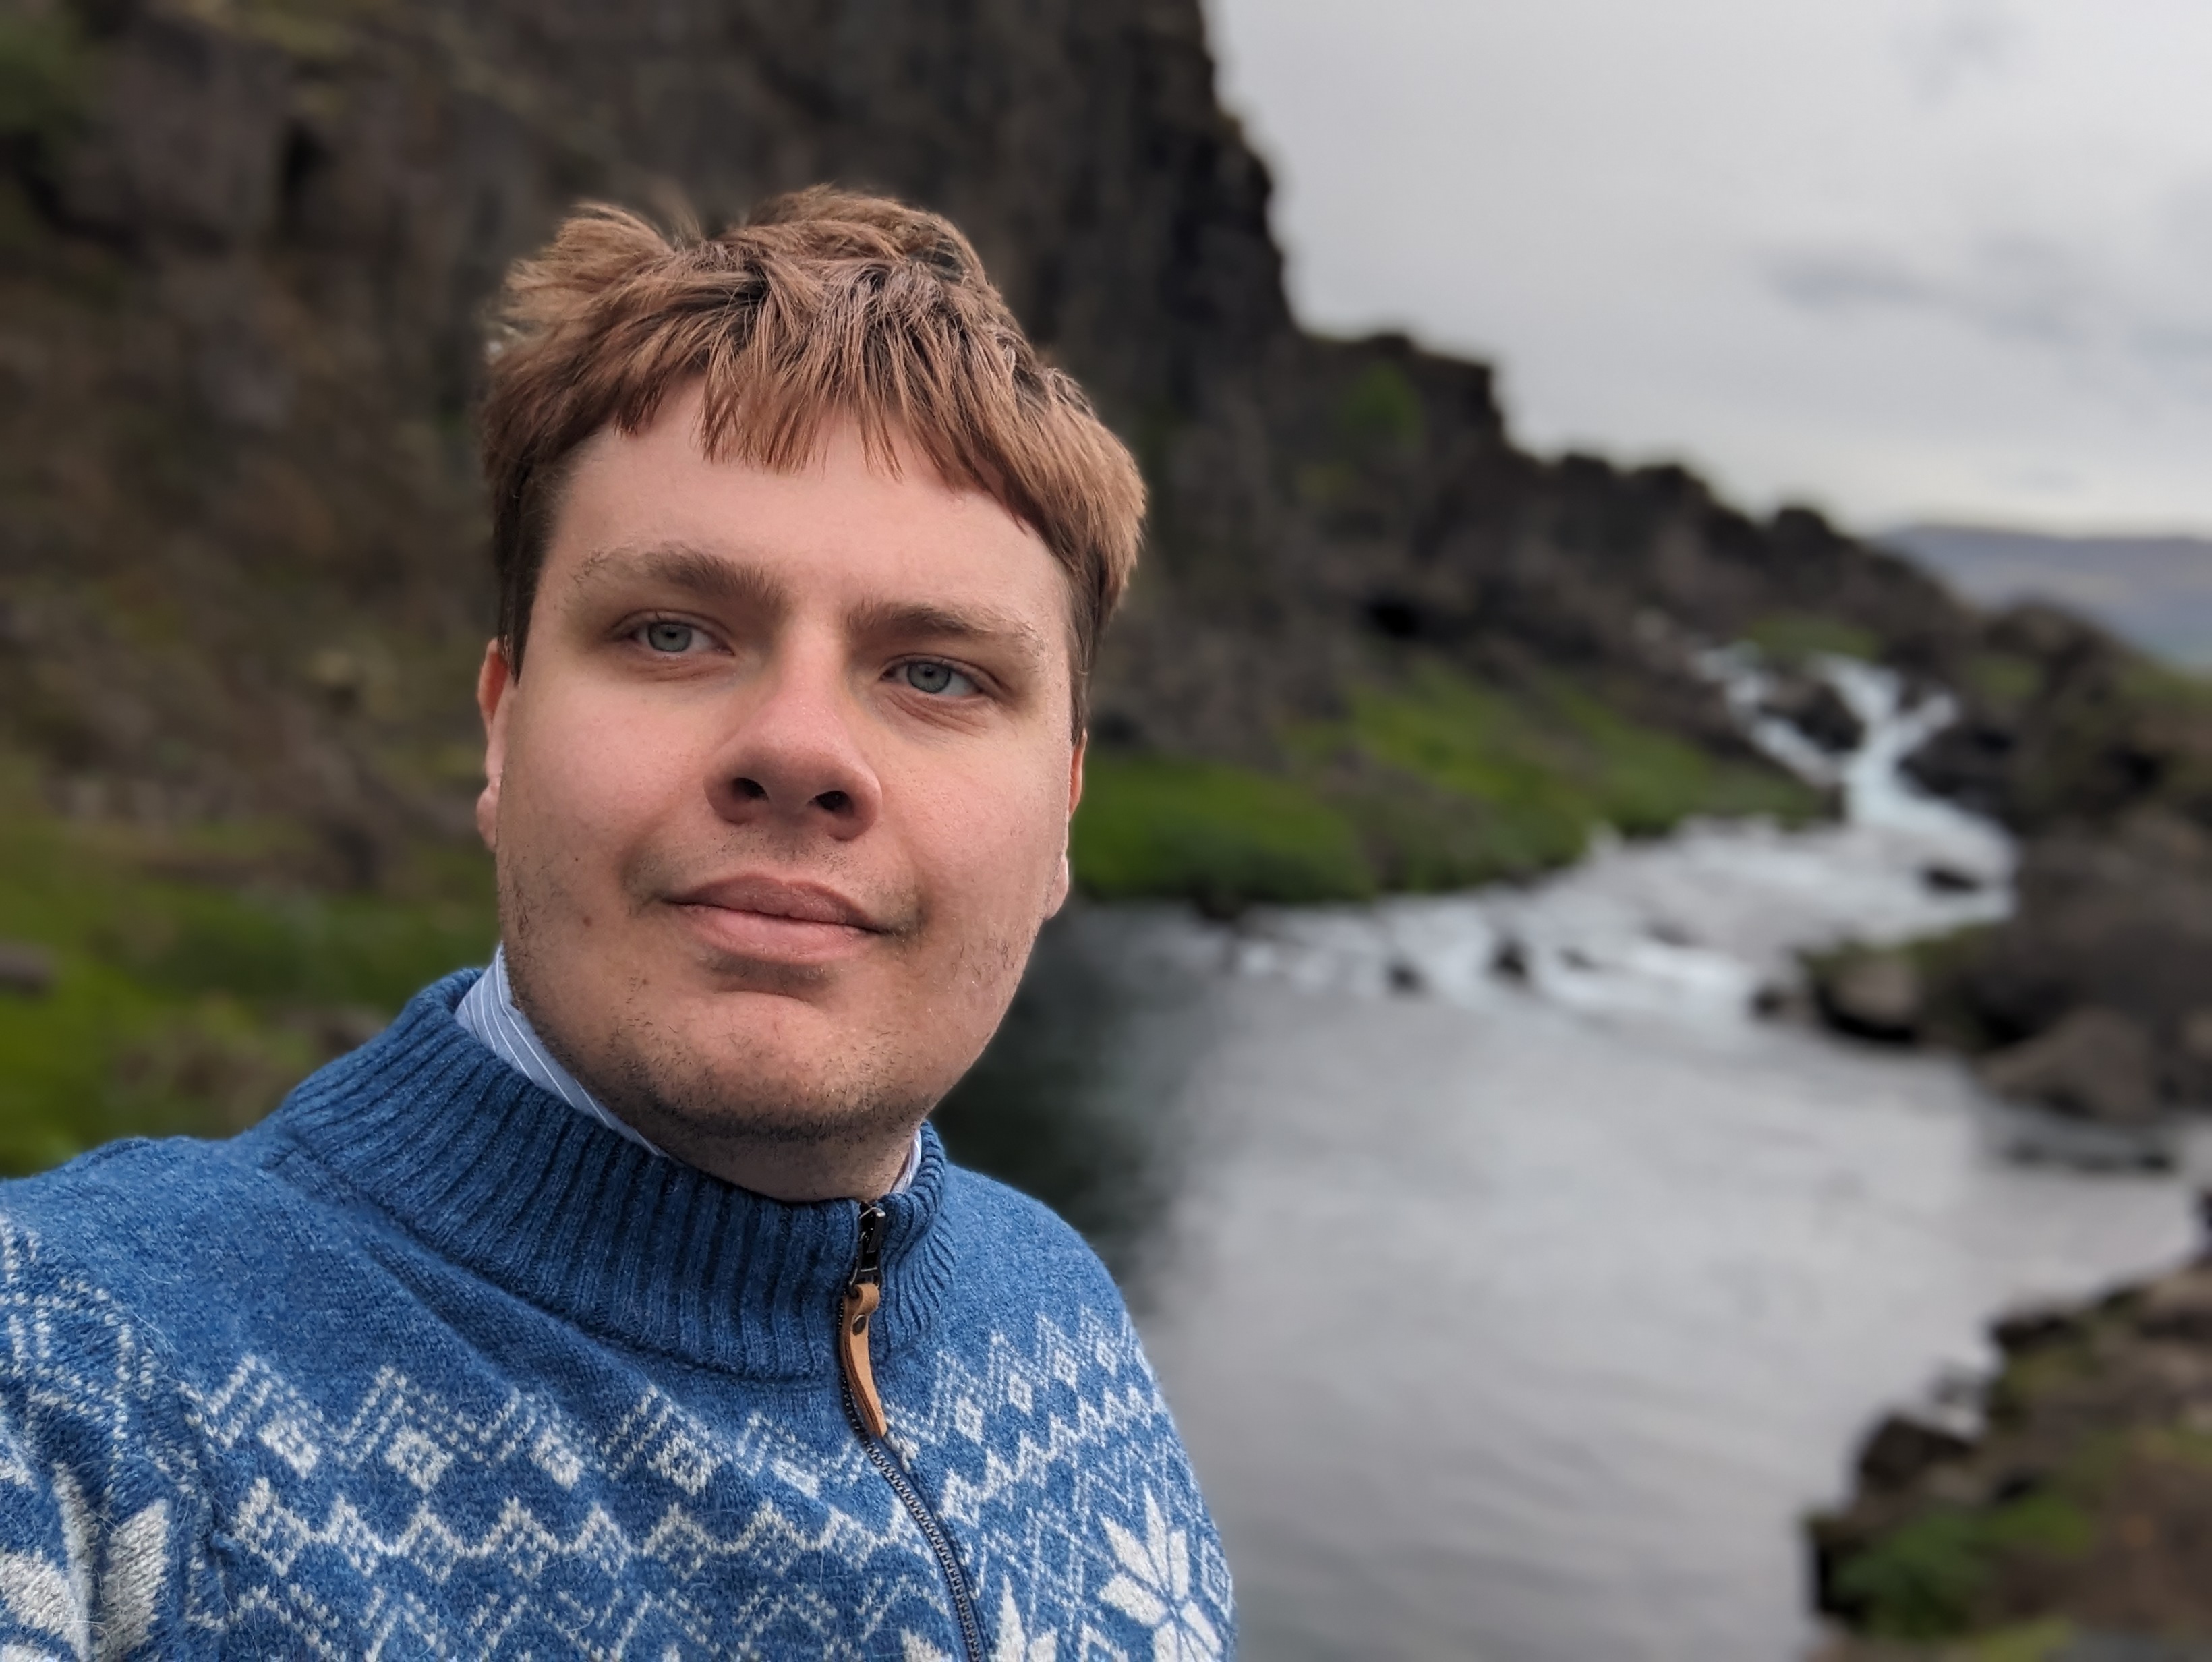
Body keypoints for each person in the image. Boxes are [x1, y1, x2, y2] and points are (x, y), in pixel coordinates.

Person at [0, 190, 1232, 1659]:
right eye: (672, 631)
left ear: (1064, 815)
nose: (798, 746)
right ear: (502, 730)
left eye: (939, 672)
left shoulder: (1063, 1312)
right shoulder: (74, 1374)